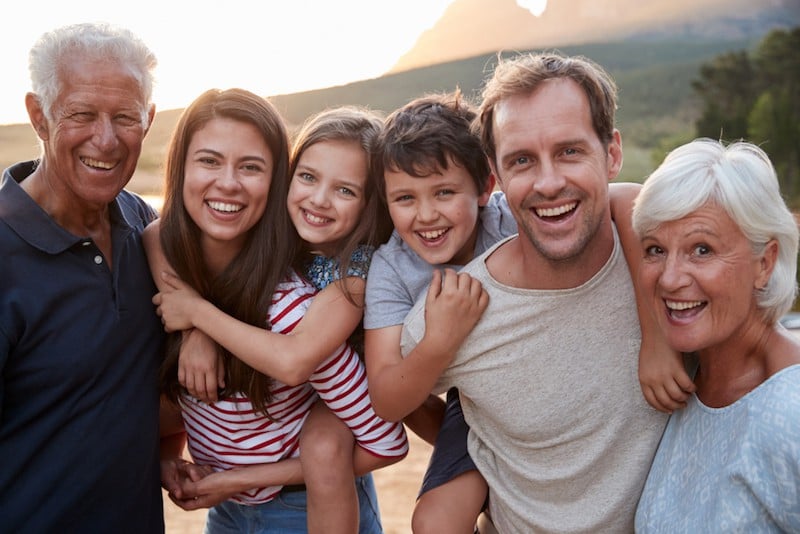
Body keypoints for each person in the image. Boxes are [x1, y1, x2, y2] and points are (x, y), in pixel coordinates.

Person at [364, 89, 666, 532]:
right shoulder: (390, 270)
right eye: (405, 199)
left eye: (444, 192)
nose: (426, 215)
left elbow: (626, 198)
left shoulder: (514, 214)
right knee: (435, 522)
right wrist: (441, 340)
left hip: (526, 374)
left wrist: (656, 338)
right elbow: (391, 398)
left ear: (487, 186)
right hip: (455, 394)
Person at [147, 91, 407, 534]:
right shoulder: (169, 260)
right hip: (230, 511)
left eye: (249, 166)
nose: (321, 199)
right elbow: (158, 235)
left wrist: (198, 316)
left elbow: (380, 437)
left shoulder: (304, 305)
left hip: (300, 510)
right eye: (209, 161)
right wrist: (195, 330)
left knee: (327, 440)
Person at [0, 22, 164, 533]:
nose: (106, 139)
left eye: (125, 117)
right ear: (39, 117)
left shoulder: (143, 224)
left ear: (149, 121)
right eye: (81, 114)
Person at [633, 139, 800, 532]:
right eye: (655, 250)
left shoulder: (790, 413)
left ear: (765, 263)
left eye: (702, 250)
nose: (671, 278)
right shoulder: (689, 380)